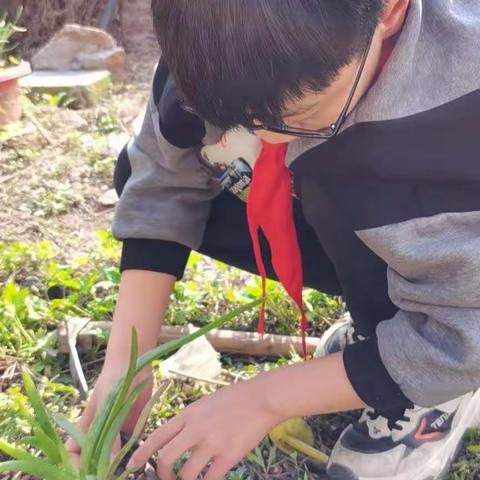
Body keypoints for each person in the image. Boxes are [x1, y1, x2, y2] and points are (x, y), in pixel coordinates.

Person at [66, 1, 480, 479]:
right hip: (373, 202)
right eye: (234, 117)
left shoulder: (460, 106)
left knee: (340, 176)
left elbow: (469, 327)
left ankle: (429, 386)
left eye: (301, 113)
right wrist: (126, 361)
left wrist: (265, 399)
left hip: (460, 263)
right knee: (268, 166)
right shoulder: (212, 36)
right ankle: (379, 332)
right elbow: (163, 178)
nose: (266, 139)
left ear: (388, 10)